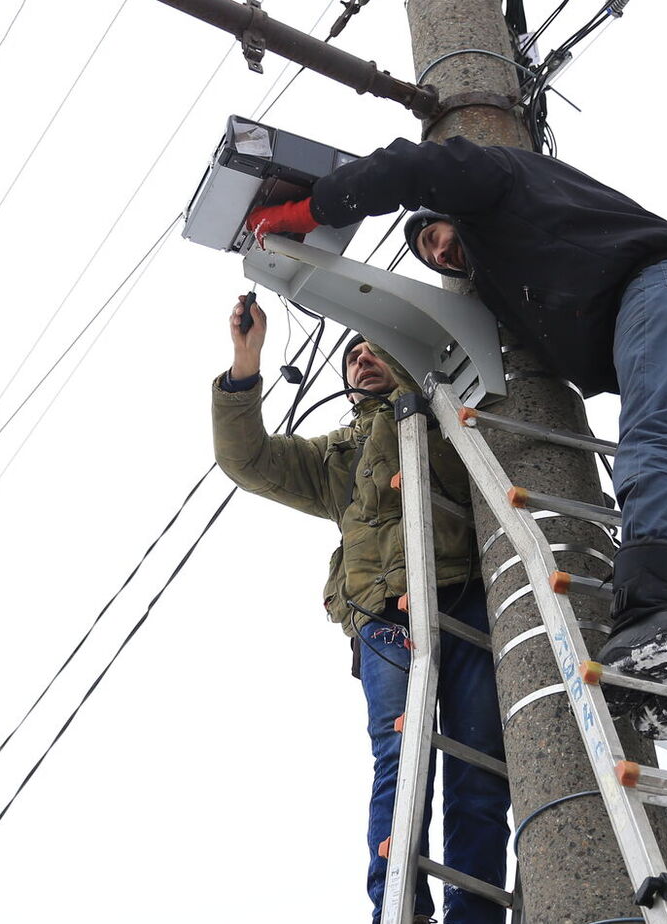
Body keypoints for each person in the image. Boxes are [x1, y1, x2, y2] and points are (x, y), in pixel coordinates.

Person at [245, 135, 667, 740]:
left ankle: (649, 614)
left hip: (660, 290)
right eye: (428, 256)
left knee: (650, 450)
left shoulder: (496, 183)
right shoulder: (521, 275)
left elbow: (418, 167)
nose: (438, 252)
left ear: (456, 211)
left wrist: (311, 212)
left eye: (435, 234)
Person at [211, 296, 508, 924]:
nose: (363, 358)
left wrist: (406, 368)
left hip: (465, 598)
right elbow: (250, 460)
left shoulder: (447, 411)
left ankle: (473, 914)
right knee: (400, 760)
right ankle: (395, 910)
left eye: (374, 346)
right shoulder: (337, 455)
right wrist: (246, 360)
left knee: (480, 765)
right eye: (353, 355)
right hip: (383, 619)